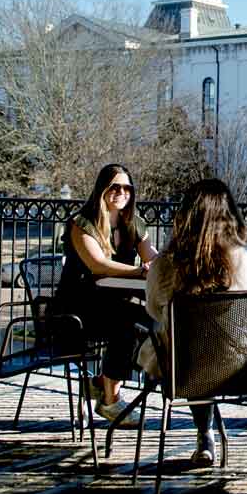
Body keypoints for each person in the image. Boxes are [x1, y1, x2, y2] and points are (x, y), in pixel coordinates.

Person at [139, 179, 247, 466]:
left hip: (185, 372)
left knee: (189, 350)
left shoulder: (165, 264)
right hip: (243, 369)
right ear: (232, 214)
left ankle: (205, 435)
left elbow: (153, 310)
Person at [55, 164, 158, 427]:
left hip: (113, 302)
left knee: (150, 318)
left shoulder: (134, 222)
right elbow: (97, 264)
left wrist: (169, 267)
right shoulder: (83, 223)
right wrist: (138, 271)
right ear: (102, 189)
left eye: (126, 188)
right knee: (126, 322)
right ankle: (111, 401)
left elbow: (152, 259)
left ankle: (103, 381)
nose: (121, 192)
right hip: (77, 308)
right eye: (114, 187)